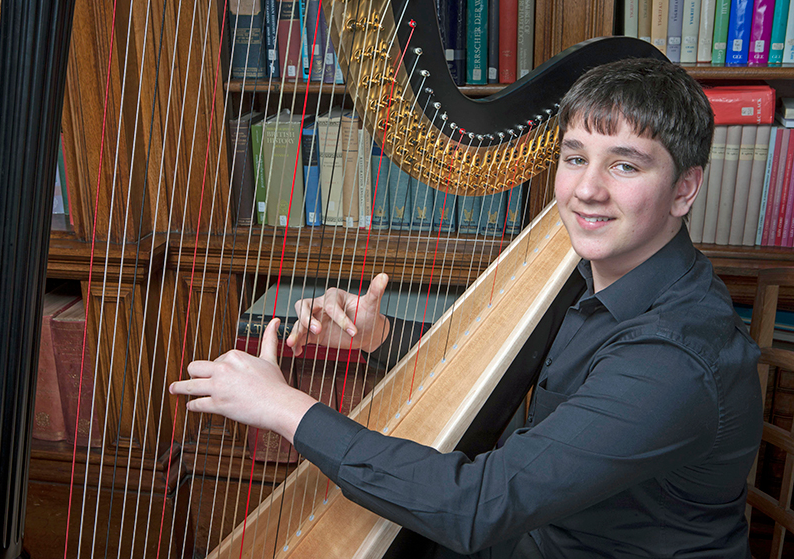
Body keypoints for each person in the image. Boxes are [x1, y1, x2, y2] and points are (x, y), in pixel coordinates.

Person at [169, 58, 763, 558]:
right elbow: (512, 362)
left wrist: (284, 407)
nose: (587, 189)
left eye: (625, 164)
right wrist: (380, 337)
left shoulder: (674, 357)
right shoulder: (596, 274)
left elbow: (479, 505)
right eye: (576, 156)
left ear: (684, 188)